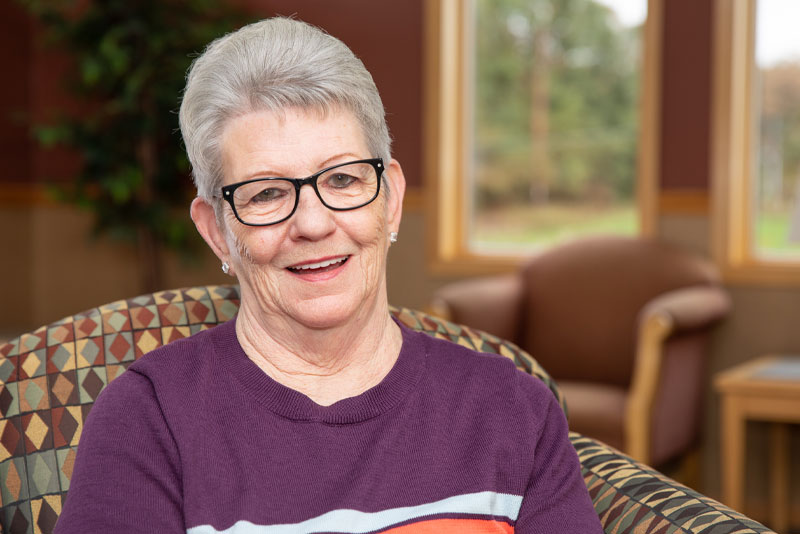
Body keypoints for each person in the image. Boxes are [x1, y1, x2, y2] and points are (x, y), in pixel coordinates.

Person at [55, 18, 603, 533]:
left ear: (390, 200)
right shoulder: (149, 419)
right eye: (267, 193)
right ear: (218, 231)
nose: (313, 223)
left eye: (342, 179)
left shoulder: (511, 409)